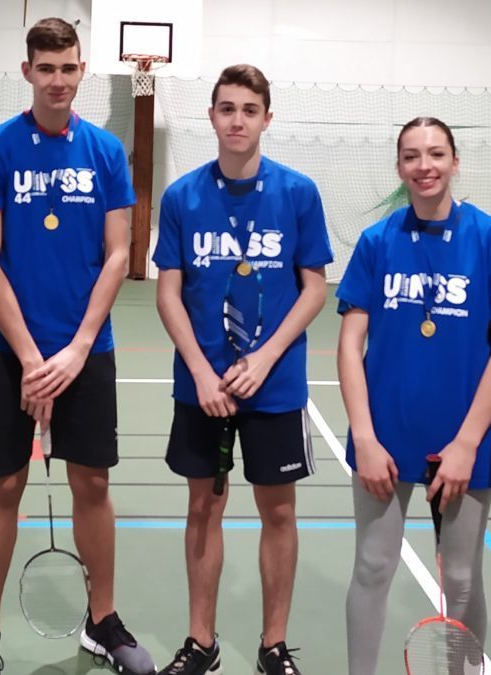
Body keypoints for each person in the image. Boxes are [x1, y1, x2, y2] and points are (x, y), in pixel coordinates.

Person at [0, 17, 154, 675]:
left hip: (85, 348)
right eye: (47, 68)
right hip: (4, 347)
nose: (59, 80)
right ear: (27, 72)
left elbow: (120, 251)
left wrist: (75, 348)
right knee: (3, 484)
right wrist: (33, 357)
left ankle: (103, 620)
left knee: (92, 481)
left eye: (69, 68)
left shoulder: (104, 152)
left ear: (82, 70)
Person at [152, 64, 333, 675]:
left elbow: (314, 288)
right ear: (211, 116)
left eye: (249, 109)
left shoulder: (298, 193)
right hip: (201, 386)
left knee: (277, 511)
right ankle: (200, 641)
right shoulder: (182, 197)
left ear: (266, 118)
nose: (237, 120)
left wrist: (264, 358)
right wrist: (203, 373)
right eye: (226, 108)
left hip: (273, 383)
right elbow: (168, 293)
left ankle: (272, 644)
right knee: (202, 506)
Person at [336, 117, 491, 673]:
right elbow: (349, 345)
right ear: (399, 167)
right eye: (412, 156)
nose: (425, 166)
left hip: (465, 441)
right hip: (385, 439)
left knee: (462, 576)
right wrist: (365, 438)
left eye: (436, 153)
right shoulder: (377, 242)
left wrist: (468, 442)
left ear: (455, 161)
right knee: (371, 566)